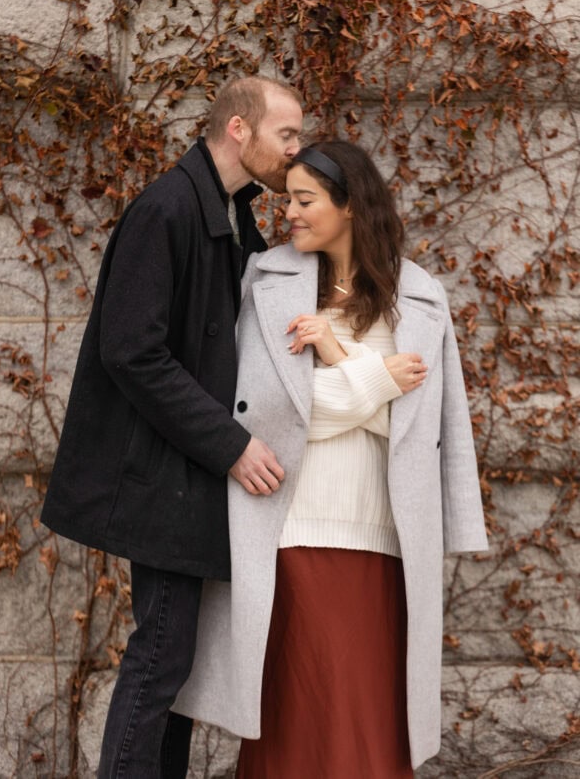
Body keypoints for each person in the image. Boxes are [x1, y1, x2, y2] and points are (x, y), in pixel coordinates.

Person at [172, 140, 489, 776]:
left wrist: (343, 362)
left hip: (389, 540)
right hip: (292, 531)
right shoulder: (269, 284)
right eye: (286, 198)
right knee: (299, 721)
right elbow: (272, 417)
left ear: (349, 205)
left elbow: (426, 425)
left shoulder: (420, 296)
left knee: (371, 723)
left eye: (305, 200)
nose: (288, 211)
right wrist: (378, 382)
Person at [40, 75, 303, 779]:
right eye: (288, 134)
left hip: (185, 478)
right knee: (161, 658)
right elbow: (130, 351)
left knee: (177, 671)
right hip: (161, 476)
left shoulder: (227, 209)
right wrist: (233, 446)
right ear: (240, 130)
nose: (296, 151)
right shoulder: (166, 210)